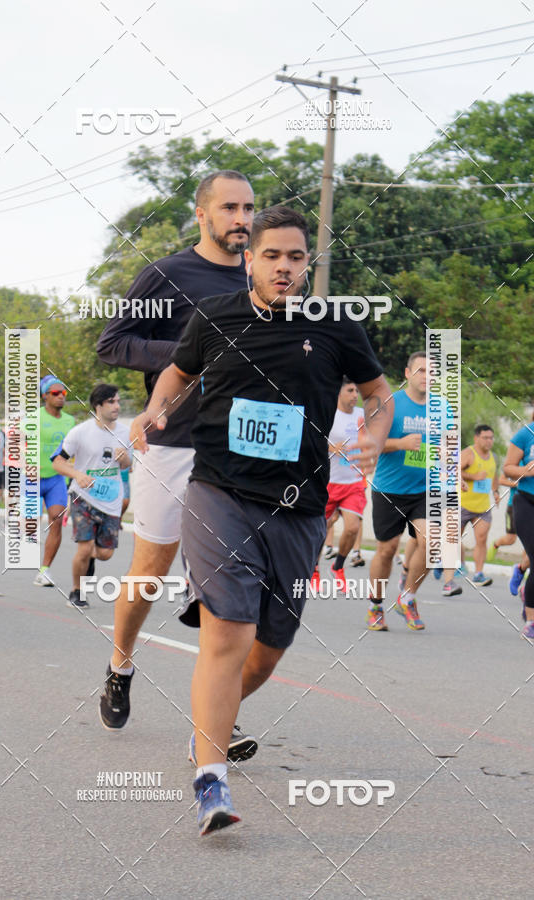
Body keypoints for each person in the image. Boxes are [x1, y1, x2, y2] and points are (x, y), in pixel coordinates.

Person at [130, 206, 392, 835]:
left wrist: (378, 435)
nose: (283, 267)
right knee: (229, 631)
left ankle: (209, 728)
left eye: (296, 258)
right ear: (250, 258)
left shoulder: (335, 326)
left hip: (299, 507)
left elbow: (380, 396)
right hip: (218, 491)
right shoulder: (215, 318)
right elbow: (176, 373)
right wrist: (154, 412)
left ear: (309, 265)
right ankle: (210, 783)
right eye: (271, 255)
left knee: (269, 651)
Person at [96, 170, 256, 750]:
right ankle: (120, 664)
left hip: (239, 448)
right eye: (230, 208)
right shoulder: (166, 274)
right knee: (150, 569)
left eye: (249, 208)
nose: (242, 218)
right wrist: (192, 353)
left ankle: (218, 719)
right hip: (171, 440)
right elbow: (112, 343)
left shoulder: (265, 275)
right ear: (203, 214)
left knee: (226, 580)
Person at [366, 351, 431, 632]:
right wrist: (401, 443)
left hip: (424, 490)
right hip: (389, 489)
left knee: (433, 541)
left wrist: (454, 476)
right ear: (407, 374)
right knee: (386, 551)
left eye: (431, 372)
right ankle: (376, 606)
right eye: (421, 371)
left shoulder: (441, 408)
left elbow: (447, 447)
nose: (426, 377)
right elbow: (372, 442)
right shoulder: (391, 404)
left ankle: (408, 597)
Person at [52, 384, 131, 608]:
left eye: (118, 401)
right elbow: (58, 461)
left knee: (105, 553)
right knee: (84, 548)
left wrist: (124, 458)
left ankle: (89, 560)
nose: (117, 406)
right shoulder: (81, 432)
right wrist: (77, 474)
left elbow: (128, 464)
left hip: (111, 499)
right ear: (98, 406)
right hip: (83, 496)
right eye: (111, 402)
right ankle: (77, 592)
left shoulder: (125, 432)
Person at [324, 378, 368, 592]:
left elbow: (372, 441)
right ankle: (312, 569)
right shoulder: (327, 412)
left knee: (352, 527)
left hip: (353, 482)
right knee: (319, 529)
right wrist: (331, 448)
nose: (355, 394)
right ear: (339, 392)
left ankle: (338, 566)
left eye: (356, 390)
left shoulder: (362, 415)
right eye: (350, 390)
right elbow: (311, 438)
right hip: (329, 482)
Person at [33, 376, 75, 587]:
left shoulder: (69, 421)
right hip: (31, 477)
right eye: (55, 393)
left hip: (56, 479)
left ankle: (44, 570)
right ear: (45, 396)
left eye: (63, 393)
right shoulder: (32, 418)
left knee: (56, 521)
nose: (60, 397)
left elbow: (73, 450)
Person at [502, 421, 534, 638]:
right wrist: (526, 470)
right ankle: (531, 621)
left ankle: (521, 573)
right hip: (526, 502)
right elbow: (507, 468)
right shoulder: (526, 434)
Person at [460, 424, 499, 587]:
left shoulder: (494, 457)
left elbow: (494, 475)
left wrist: (496, 492)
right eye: (485, 438)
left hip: (482, 506)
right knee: (453, 539)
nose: (489, 441)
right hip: (462, 503)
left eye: (491, 438)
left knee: (481, 539)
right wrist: (474, 476)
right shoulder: (469, 453)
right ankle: (449, 563)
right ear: (476, 438)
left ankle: (478, 573)